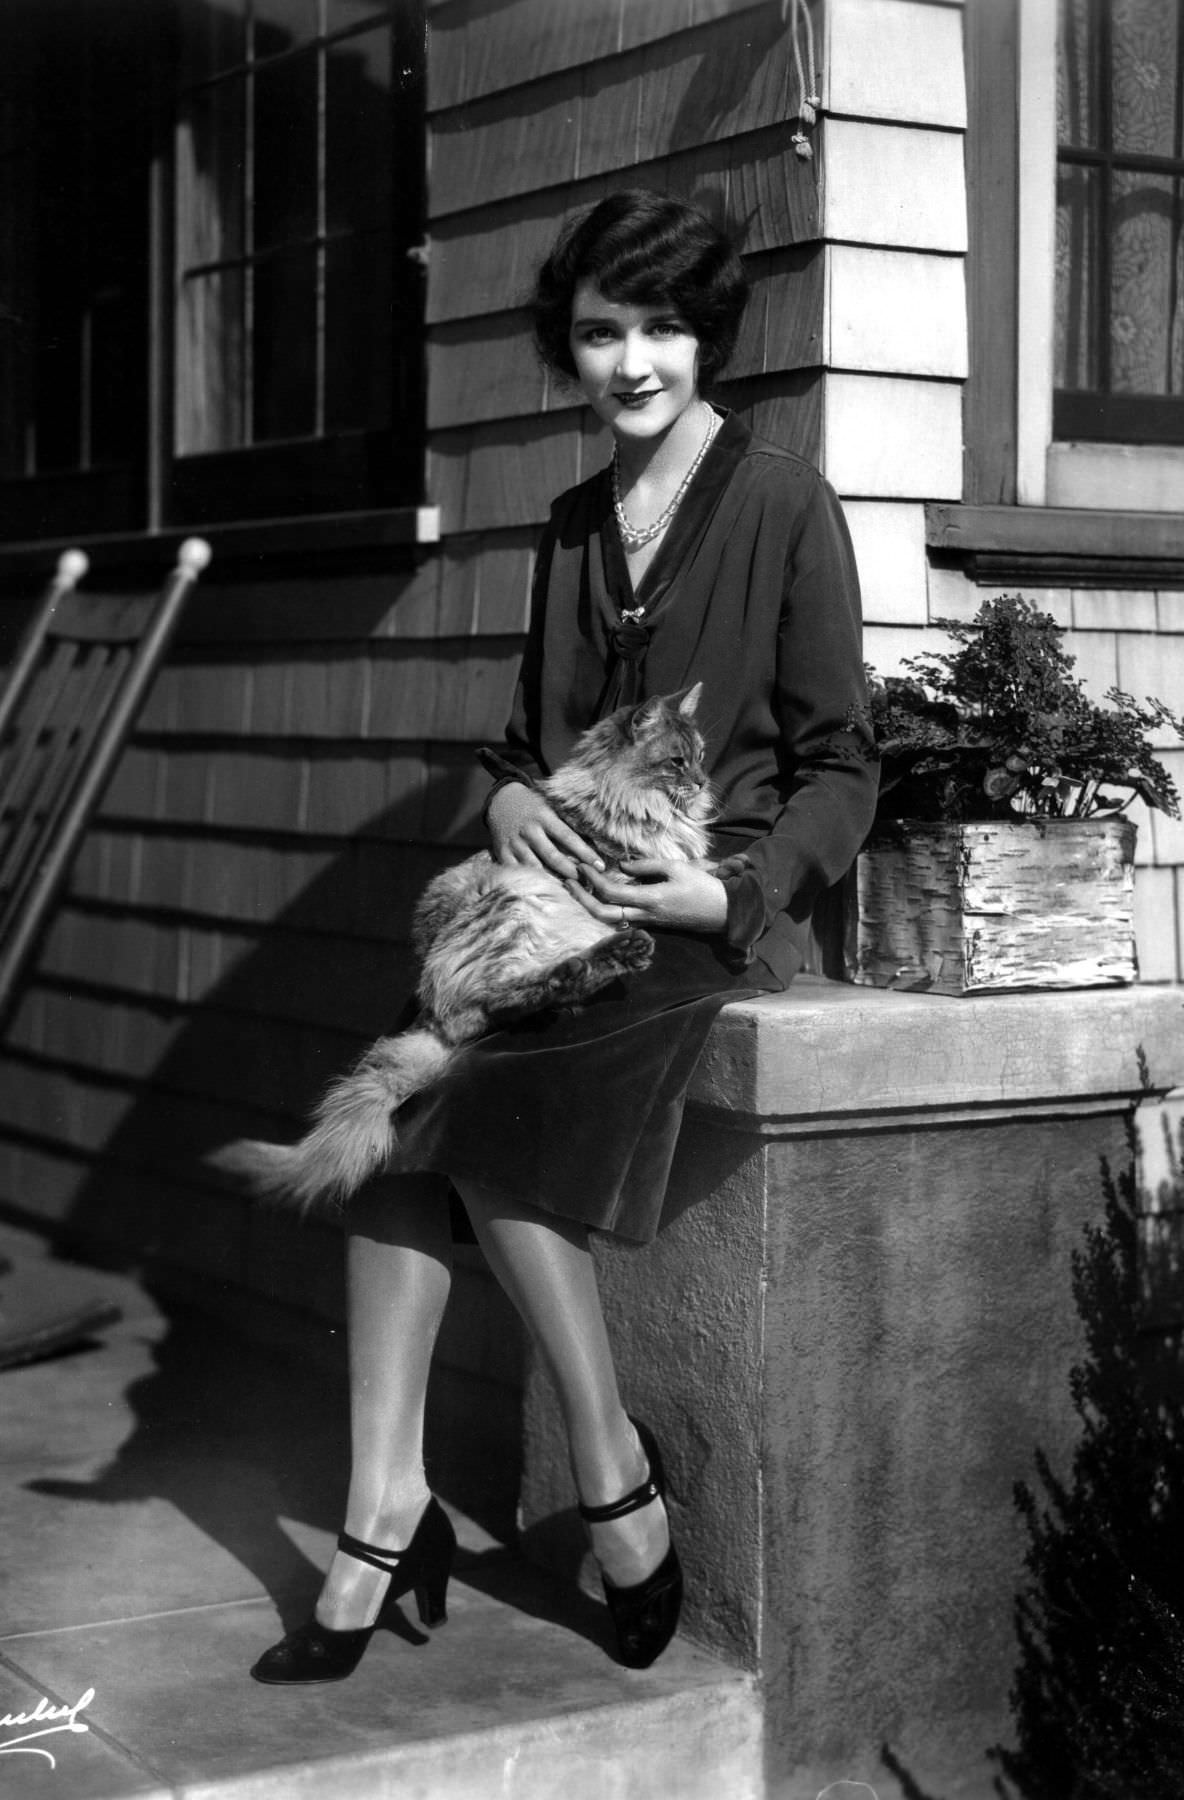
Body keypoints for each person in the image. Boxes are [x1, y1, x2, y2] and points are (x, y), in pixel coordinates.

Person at [250, 188, 878, 1685]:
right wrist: (514, 798)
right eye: (602, 332)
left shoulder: (785, 501)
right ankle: (384, 1501)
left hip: (696, 907)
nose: (633, 361)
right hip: (551, 897)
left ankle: (611, 1474)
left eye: (661, 327)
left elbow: (843, 759)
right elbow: (518, 745)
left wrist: (733, 894)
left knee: (496, 1106)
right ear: (572, 350)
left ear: (706, 335)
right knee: (399, 1105)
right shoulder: (568, 529)